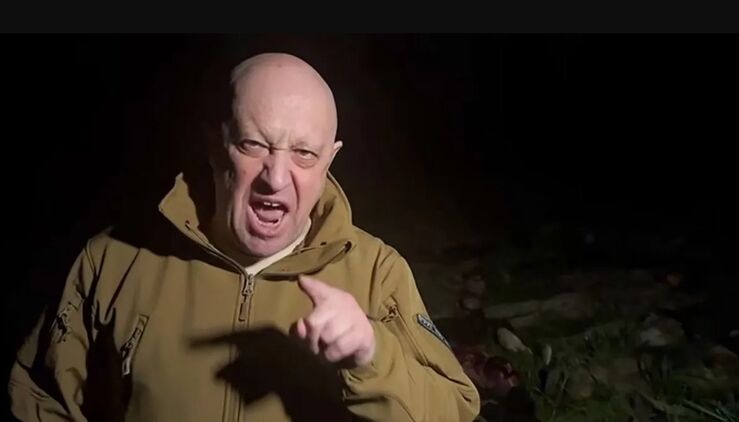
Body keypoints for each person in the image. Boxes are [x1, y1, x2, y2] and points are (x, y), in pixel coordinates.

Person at [8, 52, 480, 421]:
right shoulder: (113, 260)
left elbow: (455, 411)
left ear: (330, 160)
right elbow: (40, 400)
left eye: (304, 153)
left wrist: (371, 355)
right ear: (216, 144)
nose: (275, 178)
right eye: (254, 145)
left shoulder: (377, 272)